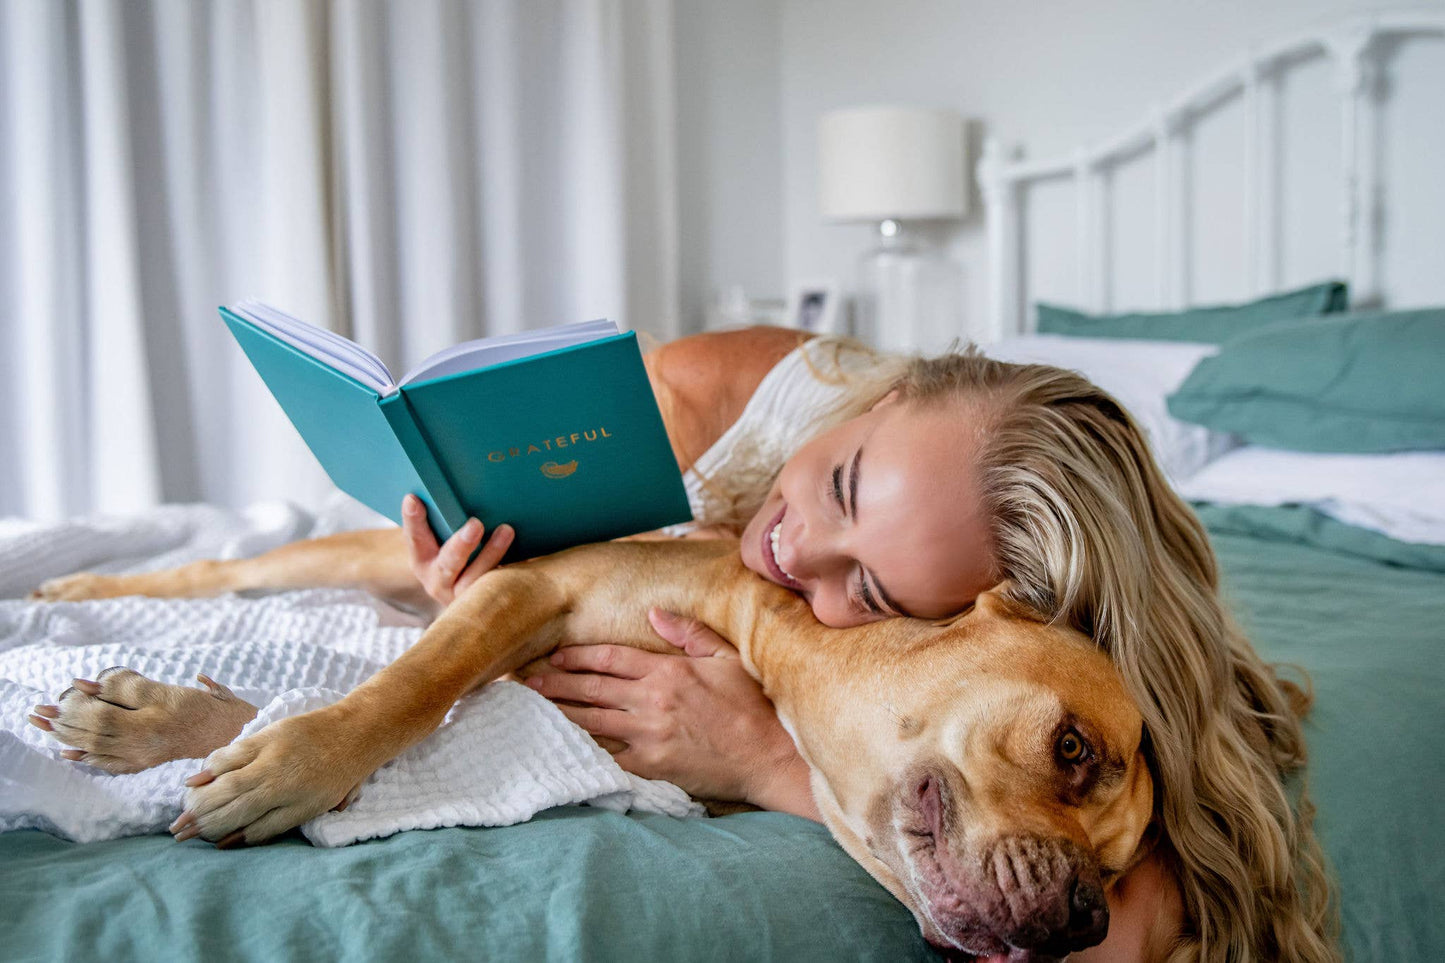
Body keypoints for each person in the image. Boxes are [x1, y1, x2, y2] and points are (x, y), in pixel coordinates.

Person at [401, 327, 1336, 962]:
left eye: (873, 592)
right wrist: (474, 595)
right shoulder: (748, 385)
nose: (794, 548)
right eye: (842, 486)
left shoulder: (1049, 666)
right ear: (884, 400)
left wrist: (767, 761)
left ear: (974, 618)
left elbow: (1115, 928)